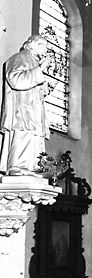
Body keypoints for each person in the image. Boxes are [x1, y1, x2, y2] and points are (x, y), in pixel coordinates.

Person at [0, 35, 51, 176]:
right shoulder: (19, 58)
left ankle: (31, 167)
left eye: (45, 46)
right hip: (22, 107)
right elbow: (15, 80)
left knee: (33, 136)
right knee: (22, 133)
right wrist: (39, 71)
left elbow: (42, 90)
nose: (45, 48)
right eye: (41, 45)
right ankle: (18, 166)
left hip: (34, 109)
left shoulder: (35, 61)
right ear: (30, 44)